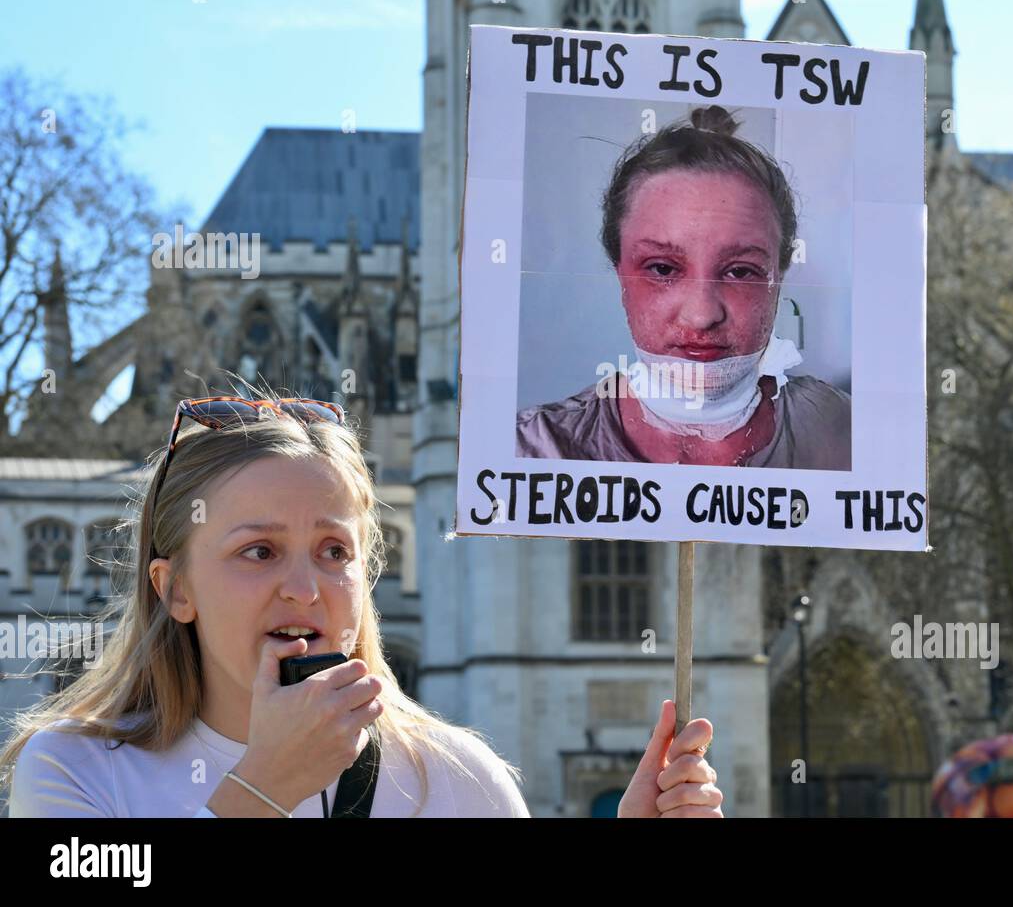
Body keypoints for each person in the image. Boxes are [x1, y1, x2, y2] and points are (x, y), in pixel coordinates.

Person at [1, 392, 723, 818]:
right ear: (174, 589)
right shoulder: (72, 770)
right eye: (258, 551)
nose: (306, 588)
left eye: (334, 551)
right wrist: (261, 790)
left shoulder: (461, 778)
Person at [517, 104, 851, 470]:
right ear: (619, 271)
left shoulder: (850, 438)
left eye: (741, 272)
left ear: (779, 277)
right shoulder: (534, 451)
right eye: (662, 268)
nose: (702, 314)